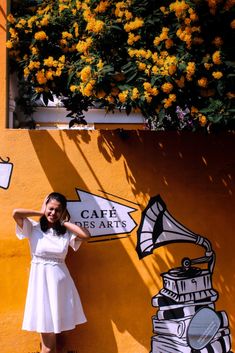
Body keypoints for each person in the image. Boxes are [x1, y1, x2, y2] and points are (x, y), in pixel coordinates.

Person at [12, 192, 91, 353]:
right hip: (41, 287)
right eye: (50, 209)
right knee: (48, 348)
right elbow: (16, 213)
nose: (53, 213)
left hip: (60, 288)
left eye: (58, 210)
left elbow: (85, 235)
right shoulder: (33, 228)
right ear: (45, 207)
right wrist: (40, 212)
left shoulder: (65, 233)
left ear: (63, 212)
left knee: (53, 347)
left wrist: (64, 222)